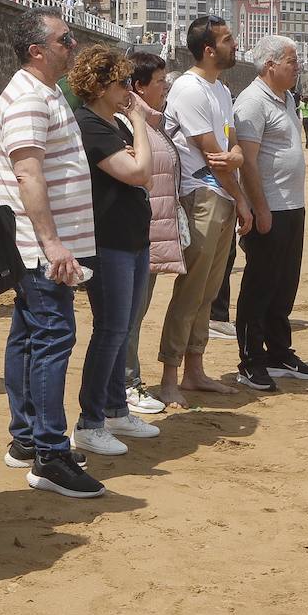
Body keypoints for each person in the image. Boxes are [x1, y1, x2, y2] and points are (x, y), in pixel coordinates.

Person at [0, 9, 106, 498]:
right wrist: (53, 243)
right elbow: (28, 176)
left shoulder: (45, 92)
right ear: (37, 50)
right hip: (41, 249)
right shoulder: (27, 100)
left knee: (30, 335)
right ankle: (49, 453)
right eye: (65, 39)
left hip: (42, 246)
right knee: (54, 338)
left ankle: (26, 439)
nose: (74, 45)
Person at [68, 45, 164, 455]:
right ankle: (90, 421)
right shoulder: (92, 124)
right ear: (101, 85)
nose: (129, 90)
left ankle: (114, 408)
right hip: (108, 243)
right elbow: (141, 172)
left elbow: (141, 174)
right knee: (110, 329)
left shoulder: (111, 124)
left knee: (121, 327)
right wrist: (139, 122)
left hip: (131, 238)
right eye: (123, 82)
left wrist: (133, 137)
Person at [157, 15, 251, 407]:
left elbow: (233, 147)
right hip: (203, 196)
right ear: (209, 49)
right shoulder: (189, 89)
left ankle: (195, 369)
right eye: (228, 39)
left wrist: (236, 160)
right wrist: (242, 198)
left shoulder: (221, 91)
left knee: (209, 292)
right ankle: (168, 376)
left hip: (223, 197)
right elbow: (215, 157)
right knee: (190, 290)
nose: (235, 44)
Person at [233, 36, 308, 392]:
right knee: (259, 286)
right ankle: (251, 359)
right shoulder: (253, 101)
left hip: (292, 205)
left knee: (285, 285)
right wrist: (260, 207)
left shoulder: (284, 98)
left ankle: (279, 352)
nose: (297, 66)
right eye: (292, 60)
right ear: (270, 64)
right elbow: (248, 162)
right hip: (269, 206)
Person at [122, 54, 183, 417]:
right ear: (139, 86)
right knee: (127, 316)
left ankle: (129, 381)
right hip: (136, 234)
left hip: (151, 233)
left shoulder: (153, 123)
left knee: (136, 313)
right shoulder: (131, 124)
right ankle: (127, 384)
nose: (167, 87)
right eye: (160, 81)